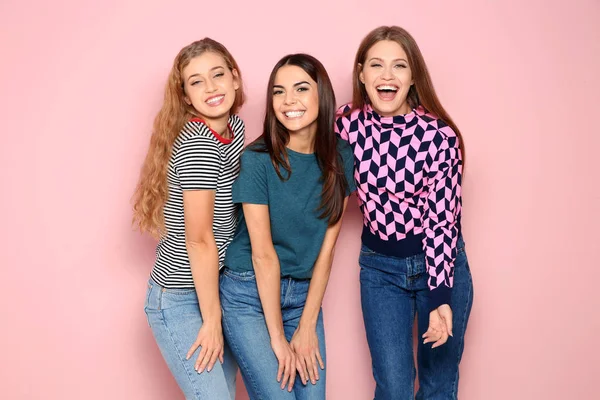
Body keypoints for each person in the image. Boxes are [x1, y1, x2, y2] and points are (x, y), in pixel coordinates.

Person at [335, 26, 474, 400]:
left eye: (399, 66)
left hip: (439, 265)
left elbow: (443, 220)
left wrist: (440, 296)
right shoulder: (345, 124)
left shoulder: (439, 137)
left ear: (413, 77)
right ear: (361, 73)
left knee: (438, 386)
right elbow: (302, 154)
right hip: (381, 270)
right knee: (393, 387)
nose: (387, 75)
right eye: (376, 65)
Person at [219, 53, 356, 400]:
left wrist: (308, 323)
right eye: (279, 92)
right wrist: (277, 338)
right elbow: (263, 255)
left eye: (300, 89)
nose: (289, 101)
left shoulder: (341, 157)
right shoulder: (257, 160)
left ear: (321, 95)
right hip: (249, 293)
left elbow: (328, 248)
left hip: (302, 297)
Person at [132, 38, 245, 400]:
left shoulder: (234, 130)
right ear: (185, 96)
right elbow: (199, 239)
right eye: (196, 81)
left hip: (212, 291)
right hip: (180, 298)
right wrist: (212, 320)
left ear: (235, 78)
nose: (211, 88)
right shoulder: (200, 145)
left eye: (217, 75)